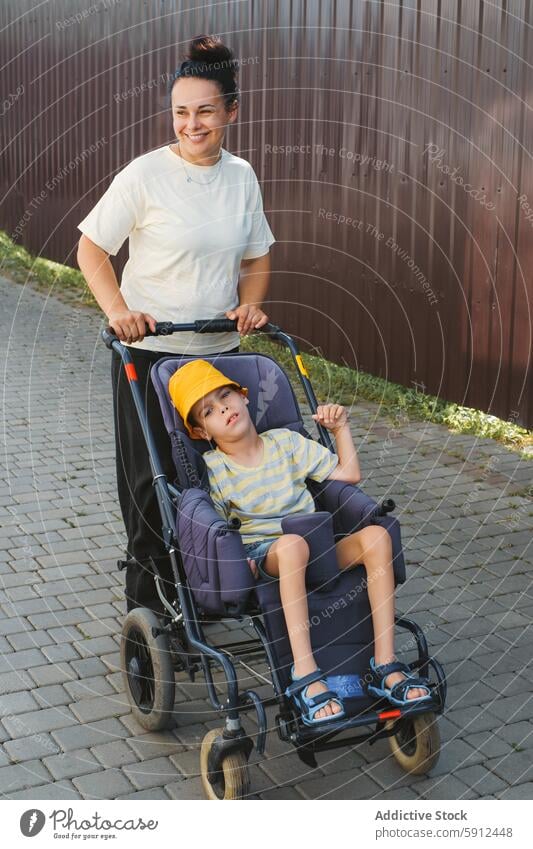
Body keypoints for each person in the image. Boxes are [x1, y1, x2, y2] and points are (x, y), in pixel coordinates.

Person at [75, 35, 275, 596]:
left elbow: (258, 253)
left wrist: (250, 302)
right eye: (181, 112)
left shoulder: (242, 176)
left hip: (215, 358)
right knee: (151, 484)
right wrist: (120, 312)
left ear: (231, 110)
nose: (192, 124)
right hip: (149, 352)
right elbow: (91, 249)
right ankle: (155, 604)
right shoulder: (144, 175)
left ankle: (218, 591)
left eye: (205, 111)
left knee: (215, 482)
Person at [168, 359, 432, 726]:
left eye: (226, 395)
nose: (224, 408)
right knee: (292, 546)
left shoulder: (287, 443)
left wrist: (340, 428)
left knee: (376, 537)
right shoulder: (213, 469)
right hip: (265, 556)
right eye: (209, 410)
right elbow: (210, 527)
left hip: (317, 546)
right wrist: (233, 559)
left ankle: (385, 664)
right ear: (201, 432)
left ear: (244, 398)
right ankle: (306, 674)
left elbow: (349, 474)